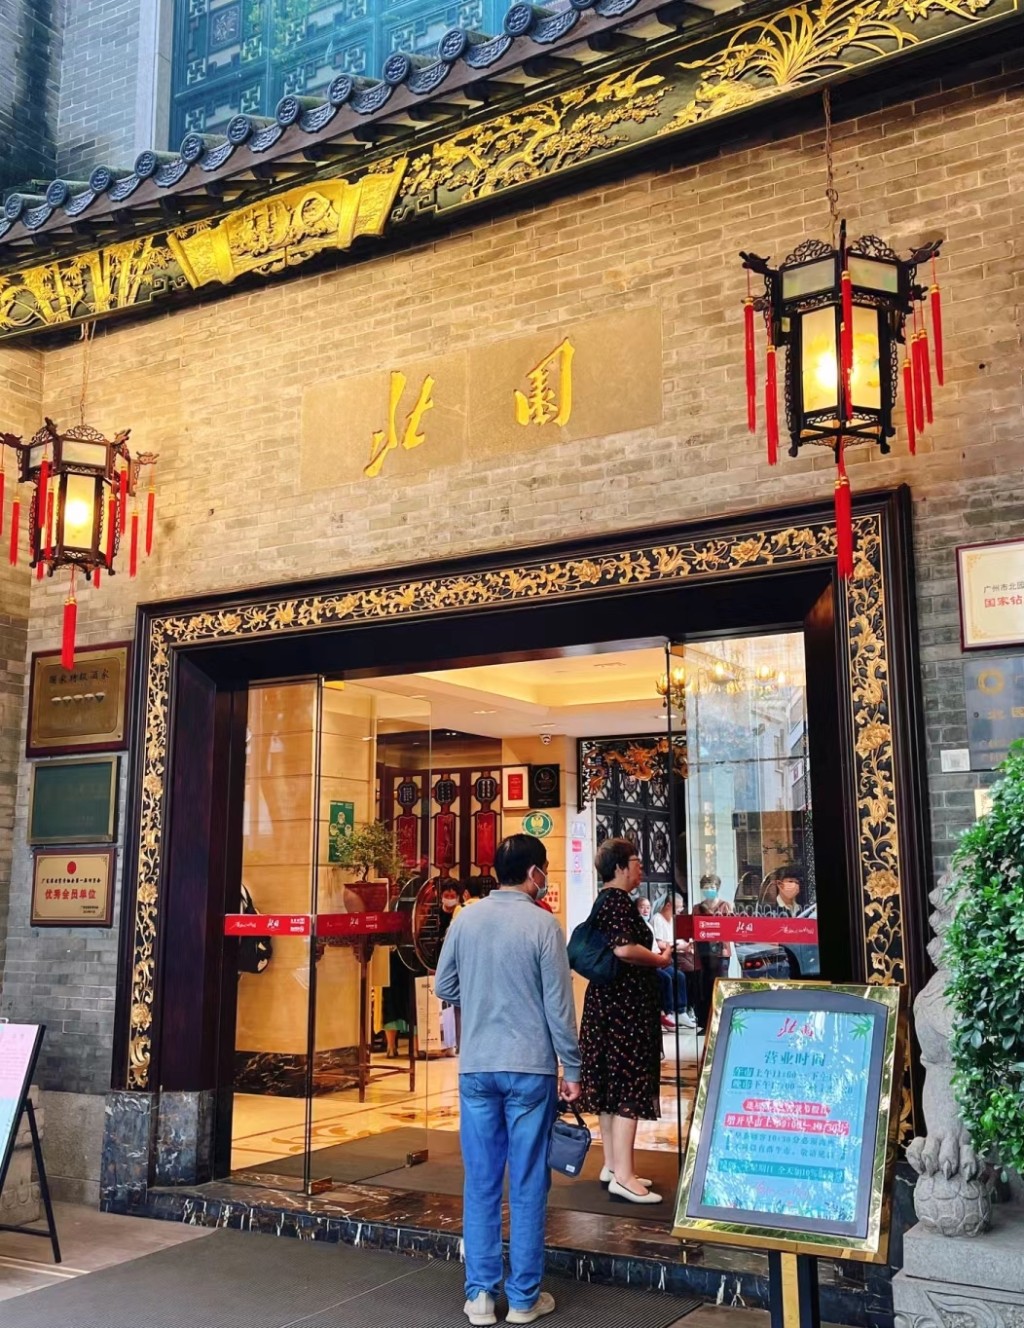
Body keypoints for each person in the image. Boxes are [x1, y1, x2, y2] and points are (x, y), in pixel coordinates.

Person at [434, 834, 580, 1327]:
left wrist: (482, 996)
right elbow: (558, 1005)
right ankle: (522, 1299)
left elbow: (443, 984)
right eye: (545, 869)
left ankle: (479, 1296)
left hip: (477, 1066)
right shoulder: (543, 925)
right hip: (529, 1067)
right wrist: (573, 1067)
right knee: (527, 1181)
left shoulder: (466, 918)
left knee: (480, 1181)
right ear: (534, 873)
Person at [578, 838, 673, 1205]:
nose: (641, 868)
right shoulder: (617, 901)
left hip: (608, 1006)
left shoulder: (605, 900)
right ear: (619, 867)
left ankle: (613, 1166)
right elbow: (624, 949)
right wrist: (660, 959)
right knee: (628, 1085)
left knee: (610, 1088)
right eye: (636, 861)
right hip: (623, 1010)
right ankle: (625, 1176)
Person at [692, 873, 733, 1033]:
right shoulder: (697, 908)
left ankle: (722, 1022)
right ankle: (706, 1024)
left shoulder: (725, 906)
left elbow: (731, 928)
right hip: (703, 953)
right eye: (706, 887)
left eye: (712, 887)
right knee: (704, 988)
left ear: (717, 888)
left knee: (720, 985)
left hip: (721, 952)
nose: (709, 890)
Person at [650, 894, 696, 1030]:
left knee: (680, 976)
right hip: (660, 958)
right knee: (668, 978)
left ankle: (681, 1011)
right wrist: (677, 946)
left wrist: (685, 945)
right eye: (678, 907)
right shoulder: (657, 919)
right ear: (668, 906)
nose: (680, 910)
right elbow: (660, 943)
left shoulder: (673, 920)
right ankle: (668, 1012)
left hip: (670, 957)